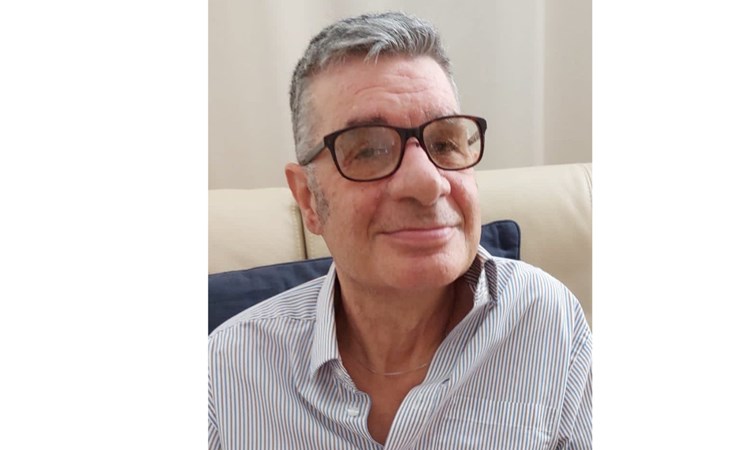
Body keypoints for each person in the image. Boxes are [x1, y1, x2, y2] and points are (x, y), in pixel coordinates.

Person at [208, 11, 592, 449]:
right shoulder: (228, 372)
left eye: (445, 143)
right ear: (309, 199)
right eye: (369, 150)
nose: (427, 183)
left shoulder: (546, 319)